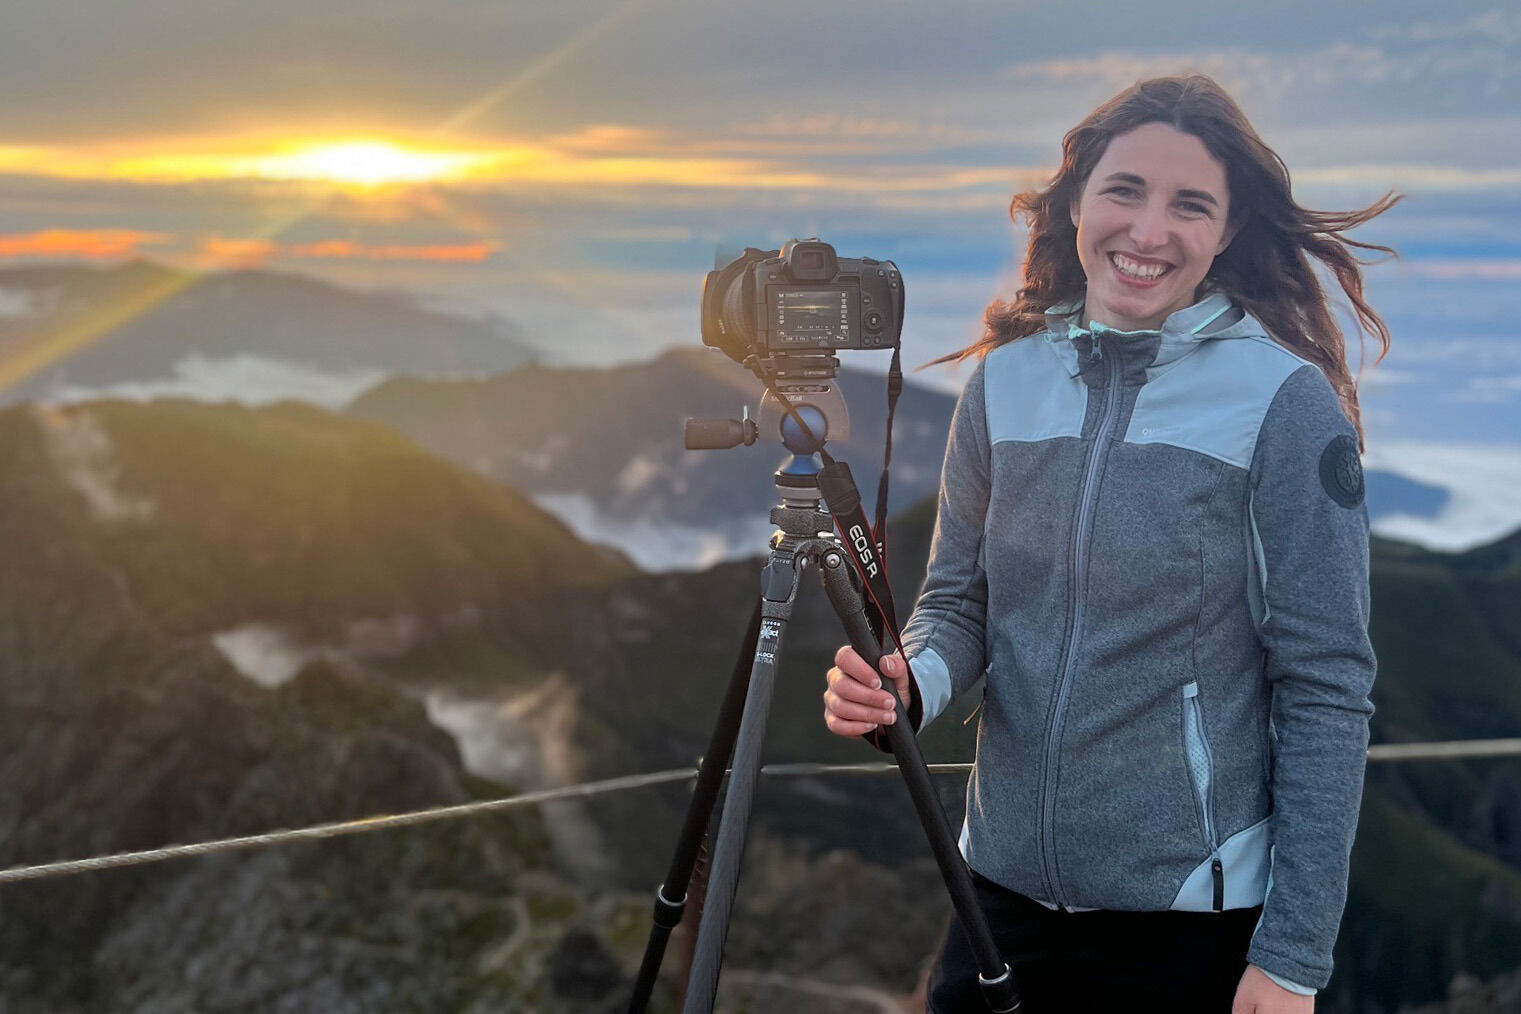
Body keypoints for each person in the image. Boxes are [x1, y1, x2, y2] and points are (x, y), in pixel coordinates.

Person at [822, 75, 1398, 1013]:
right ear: (1077, 201)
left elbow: (1327, 685)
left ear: (1227, 231)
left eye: (1189, 205)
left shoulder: (1283, 406)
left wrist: (1292, 956)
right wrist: (907, 685)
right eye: (1124, 190)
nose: (1147, 230)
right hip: (994, 899)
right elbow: (960, 604)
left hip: (1184, 930)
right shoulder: (1003, 384)